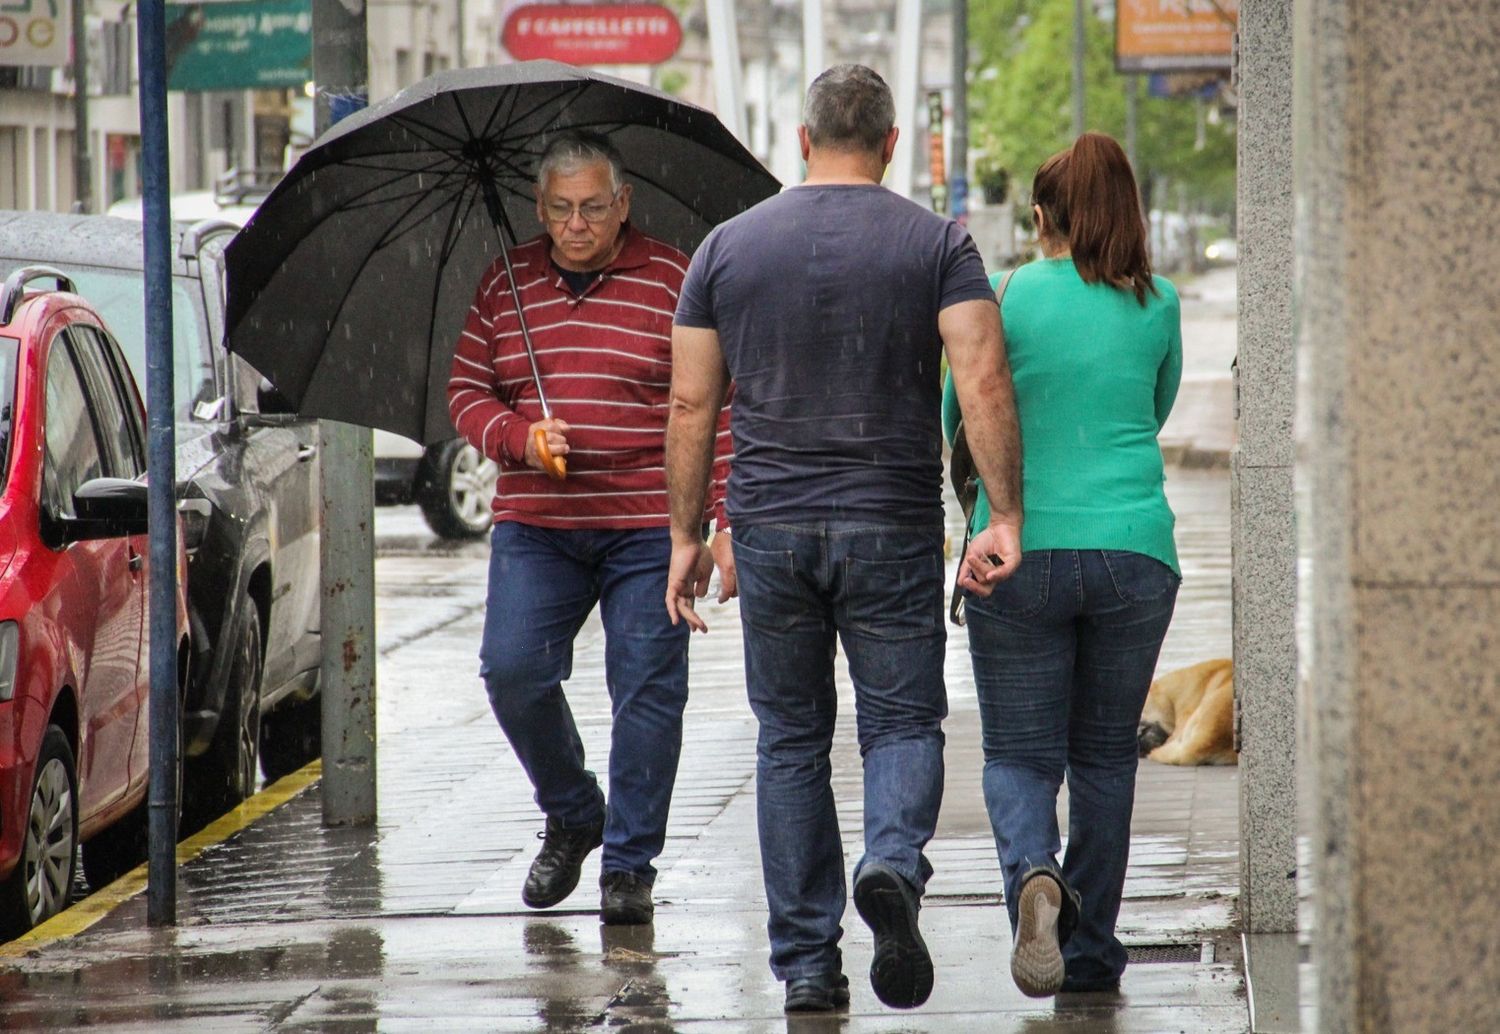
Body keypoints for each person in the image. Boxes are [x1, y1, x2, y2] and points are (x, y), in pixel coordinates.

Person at [663, 65, 1023, 1013]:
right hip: (890, 520)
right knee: (901, 720)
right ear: (893, 143)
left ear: (802, 136)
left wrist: (685, 534)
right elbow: (982, 378)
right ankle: (893, 863)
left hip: (771, 527)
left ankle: (809, 969)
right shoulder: (938, 243)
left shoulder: (726, 250)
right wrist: (1004, 516)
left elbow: (693, 399)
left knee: (789, 740)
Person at [446, 130, 733, 926]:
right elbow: (468, 390)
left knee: (646, 690)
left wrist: (723, 520)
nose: (576, 225)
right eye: (562, 209)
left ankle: (630, 865)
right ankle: (574, 809)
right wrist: (520, 437)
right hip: (539, 524)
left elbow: (720, 406)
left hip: (650, 524)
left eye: (594, 209)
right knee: (512, 672)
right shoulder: (506, 283)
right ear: (539, 208)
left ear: (623, 205)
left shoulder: (677, 278)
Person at [943, 131, 1183, 998]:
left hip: (1019, 550)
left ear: (1043, 216)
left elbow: (960, 414)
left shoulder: (1002, 295)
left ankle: (1033, 876)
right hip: (1134, 552)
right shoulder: (1158, 303)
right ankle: (1088, 956)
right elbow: (1152, 411)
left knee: (1016, 753)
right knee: (1104, 759)